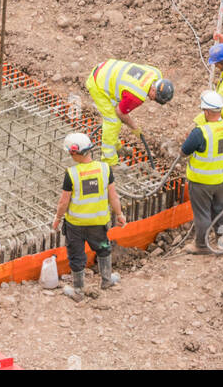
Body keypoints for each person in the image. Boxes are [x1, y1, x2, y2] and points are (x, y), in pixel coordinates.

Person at [52, 131, 126, 302]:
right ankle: (107, 280)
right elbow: (113, 196)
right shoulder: (104, 169)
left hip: (75, 225)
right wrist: (119, 214)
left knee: (77, 254)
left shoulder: (72, 173)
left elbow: (64, 201)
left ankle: (78, 290)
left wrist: (57, 218)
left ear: (74, 152)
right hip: (98, 224)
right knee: (103, 248)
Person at [181, 90, 223, 255]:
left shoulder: (201, 132)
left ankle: (201, 245)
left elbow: (184, 152)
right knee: (220, 209)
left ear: (206, 112)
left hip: (202, 182)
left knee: (202, 214)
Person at [85, 58, 174, 165]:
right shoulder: (137, 95)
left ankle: (117, 148)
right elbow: (120, 112)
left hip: (107, 68)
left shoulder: (156, 73)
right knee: (113, 122)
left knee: (115, 121)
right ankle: (109, 162)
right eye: (155, 98)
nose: (152, 100)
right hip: (98, 83)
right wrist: (134, 127)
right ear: (154, 90)